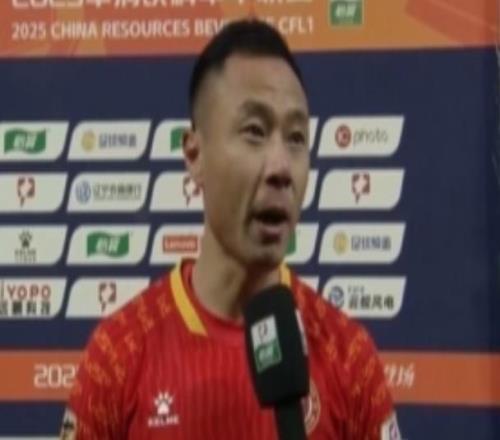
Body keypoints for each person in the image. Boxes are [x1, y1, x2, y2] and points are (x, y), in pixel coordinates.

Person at [60, 19, 401, 440]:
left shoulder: (349, 356)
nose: (281, 168)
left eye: (296, 138)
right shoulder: (118, 355)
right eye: (255, 132)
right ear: (194, 155)